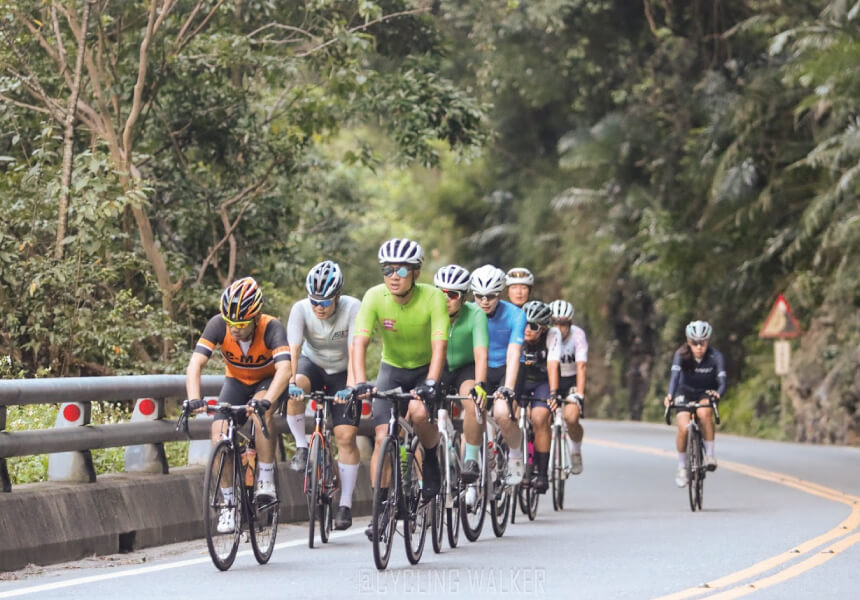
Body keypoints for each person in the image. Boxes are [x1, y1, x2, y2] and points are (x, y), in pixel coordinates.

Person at [349, 238, 449, 539]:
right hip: (391, 370)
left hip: (425, 368)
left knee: (418, 414)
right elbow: (359, 342)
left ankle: (430, 457)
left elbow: (439, 344)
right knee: (382, 438)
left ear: (416, 273)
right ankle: (379, 513)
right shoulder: (374, 297)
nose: (393, 276)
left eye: (401, 270)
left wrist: (432, 381)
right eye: (387, 269)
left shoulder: (433, 297)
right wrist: (358, 381)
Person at [185, 277, 290, 533]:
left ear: (255, 318)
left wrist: (267, 401)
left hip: (267, 382)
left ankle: (265, 477)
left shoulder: (271, 327)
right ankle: (229, 504)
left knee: (258, 414)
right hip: (236, 382)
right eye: (231, 323)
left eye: (241, 324)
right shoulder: (218, 325)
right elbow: (195, 363)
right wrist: (194, 397)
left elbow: (285, 369)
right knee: (218, 433)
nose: (234, 329)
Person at [286, 260, 361, 530]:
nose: (319, 307)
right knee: (296, 390)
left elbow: (356, 351)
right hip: (312, 364)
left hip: (343, 371)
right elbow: (293, 349)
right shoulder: (300, 309)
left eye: (325, 302)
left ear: (337, 297)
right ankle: (302, 447)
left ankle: (345, 505)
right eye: (314, 300)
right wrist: (292, 382)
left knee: (345, 436)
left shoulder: (353, 308)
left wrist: (351, 387)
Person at [470, 264, 527, 486]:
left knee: (502, 413)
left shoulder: (515, 314)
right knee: (473, 414)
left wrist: (508, 389)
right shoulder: (469, 312)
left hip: (507, 368)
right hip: (480, 367)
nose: (484, 301)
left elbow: (514, 352)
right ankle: (472, 473)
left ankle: (515, 454)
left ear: (500, 293)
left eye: (491, 296)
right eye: (479, 296)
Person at [434, 264, 489, 484]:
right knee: (413, 411)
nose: (446, 299)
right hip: (437, 367)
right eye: (441, 293)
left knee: (473, 401)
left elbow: (481, 354)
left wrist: (481, 384)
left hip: (464, 368)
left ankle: (471, 459)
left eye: (453, 294)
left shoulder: (476, 314)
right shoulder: (429, 312)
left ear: (464, 297)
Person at [663, 320, 727, 487]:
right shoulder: (681, 354)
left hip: (706, 392)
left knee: (704, 413)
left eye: (703, 343)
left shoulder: (716, 356)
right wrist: (670, 395)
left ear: (708, 342)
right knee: (684, 428)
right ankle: (682, 466)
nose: (699, 347)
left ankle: (710, 455)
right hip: (684, 392)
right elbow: (675, 378)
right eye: (694, 343)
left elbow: (722, 382)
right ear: (688, 341)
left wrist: (718, 394)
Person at [546, 299, 588, 474]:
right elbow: (550, 365)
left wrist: (579, 393)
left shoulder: (578, 335)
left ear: (570, 323)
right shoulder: (547, 334)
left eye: (563, 324)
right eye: (555, 323)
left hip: (570, 379)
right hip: (550, 379)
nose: (559, 328)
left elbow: (581, 366)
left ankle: (576, 451)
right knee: (542, 417)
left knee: (571, 418)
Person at [519, 300, 556, 494]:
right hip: (520, 379)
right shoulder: (516, 332)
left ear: (543, 329)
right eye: (525, 324)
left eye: (533, 326)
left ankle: (542, 473)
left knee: (540, 418)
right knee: (511, 415)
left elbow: (553, 365)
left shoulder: (552, 336)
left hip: (542, 381)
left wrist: (553, 393)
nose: (527, 329)